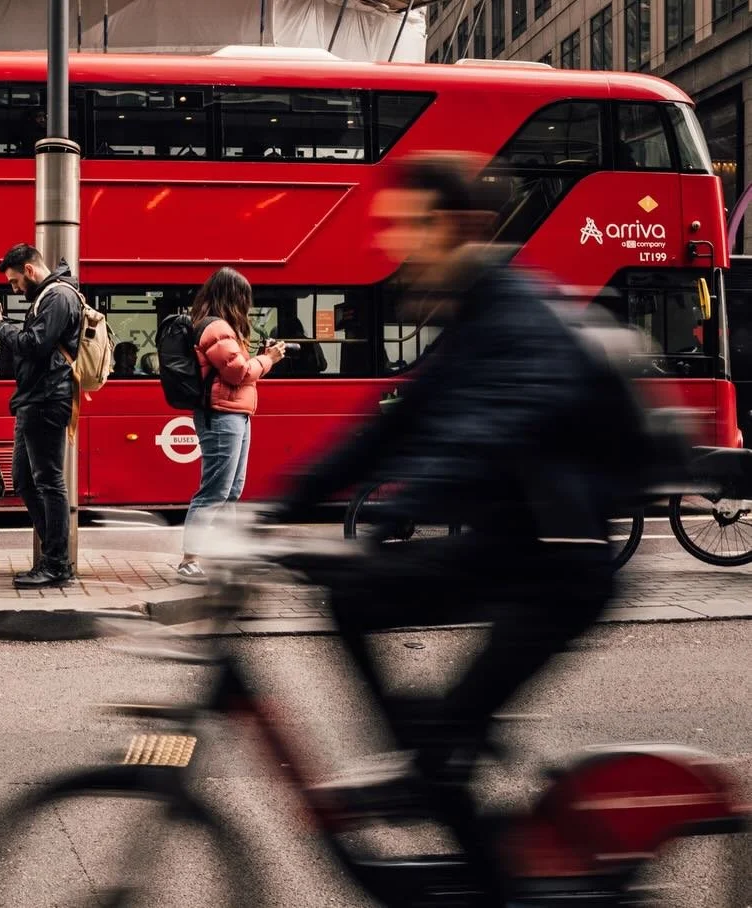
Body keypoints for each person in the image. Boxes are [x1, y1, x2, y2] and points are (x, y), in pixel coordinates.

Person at [269, 154, 648, 898]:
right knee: (354, 599)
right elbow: (392, 429)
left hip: (561, 569)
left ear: (463, 228)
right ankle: (423, 756)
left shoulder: (514, 312)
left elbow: (485, 433)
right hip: (513, 550)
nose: (399, 246)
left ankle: (479, 861)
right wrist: (276, 507)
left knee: (443, 737)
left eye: (414, 227)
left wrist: (388, 520)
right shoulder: (472, 317)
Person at [0, 243, 81, 589]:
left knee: (49, 482)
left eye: (16, 282)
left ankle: (56, 563)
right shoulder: (45, 297)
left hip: (48, 399)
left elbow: (35, 345)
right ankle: (53, 556)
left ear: (30, 271)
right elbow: (28, 349)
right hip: (32, 398)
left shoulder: (58, 297)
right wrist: (5, 325)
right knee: (23, 480)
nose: (16, 289)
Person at [177, 267, 285, 584]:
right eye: (245, 299)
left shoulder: (222, 330)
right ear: (234, 298)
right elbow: (238, 373)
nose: (248, 307)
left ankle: (230, 555)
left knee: (232, 490)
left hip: (235, 413)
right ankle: (188, 561)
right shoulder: (216, 329)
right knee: (214, 491)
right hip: (222, 415)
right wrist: (269, 359)